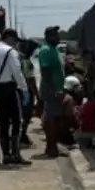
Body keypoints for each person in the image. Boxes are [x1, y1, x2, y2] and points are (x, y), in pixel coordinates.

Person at [0, 28, 31, 166]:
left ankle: (6, 155)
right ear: (10, 38)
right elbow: (17, 72)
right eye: (15, 40)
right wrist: (24, 89)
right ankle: (16, 154)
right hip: (10, 88)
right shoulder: (11, 52)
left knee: (3, 122)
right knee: (17, 121)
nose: (16, 43)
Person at [37, 26, 67, 157]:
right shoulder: (46, 50)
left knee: (56, 118)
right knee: (51, 119)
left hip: (56, 88)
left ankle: (54, 146)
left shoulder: (54, 50)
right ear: (48, 36)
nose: (58, 37)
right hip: (51, 88)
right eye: (55, 34)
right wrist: (55, 89)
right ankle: (51, 148)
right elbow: (46, 71)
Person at [18, 40, 39, 148]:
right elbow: (31, 80)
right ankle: (22, 136)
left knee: (22, 115)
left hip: (19, 90)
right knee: (26, 115)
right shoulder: (26, 62)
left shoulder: (19, 59)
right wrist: (37, 95)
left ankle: (22, 135)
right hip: (26, 91)